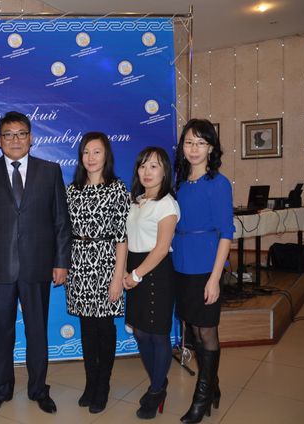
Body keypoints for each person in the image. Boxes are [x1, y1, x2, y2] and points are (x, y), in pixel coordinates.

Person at [0, 111, 71, 415]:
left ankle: (39, 389)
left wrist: (61, 261)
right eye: (8, 135)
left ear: (31, 138)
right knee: (2, 331)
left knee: (37, 330)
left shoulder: (50, 171)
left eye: (21, 133)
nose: (15, 140)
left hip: (38, 265)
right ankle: (2, 389)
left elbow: (61, 221)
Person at [173, 119, 234, 423]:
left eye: (200, 143)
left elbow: (226, 233)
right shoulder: (180, 183)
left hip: (206, 266)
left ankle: (202, 397)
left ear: (211, 148)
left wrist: (215, 278)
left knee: (206, 329)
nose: (194, 149)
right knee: (193, 328)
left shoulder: (219, 184)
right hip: (181, 265)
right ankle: (214, 387)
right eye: (189, 142)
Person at [64, 132, 130, 414]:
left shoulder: (117, 188)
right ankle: (90, 383)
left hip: (106, 264)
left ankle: (103, 385)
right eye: (86, 152)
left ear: (106, 156)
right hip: (78, 264)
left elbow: (122, 237)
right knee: (87, 329)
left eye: (97, 152)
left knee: (104, 327)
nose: (90, 158)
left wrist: (118, 277)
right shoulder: (72, 190)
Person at [123, 147, 179, 419]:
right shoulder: (135, 201)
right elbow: (127, 240)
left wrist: (136, 275)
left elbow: (161, 248)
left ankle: (156, 390)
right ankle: (159, 381)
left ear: (164, 171)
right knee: (140, 332)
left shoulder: (167, 204)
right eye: (143, 166)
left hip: (156, 272)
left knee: (157, 334)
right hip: (136, 268)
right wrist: (127, 271)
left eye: (154, 166)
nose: (147, 171)